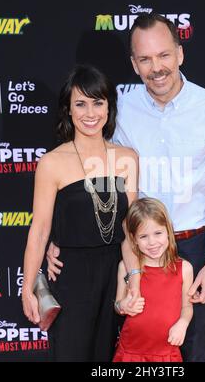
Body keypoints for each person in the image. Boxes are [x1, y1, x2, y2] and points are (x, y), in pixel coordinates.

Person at [47, 13, 205, 361]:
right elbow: (86, 171)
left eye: (164, 55)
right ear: (134, 64)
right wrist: (59, 239)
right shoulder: (118, 107)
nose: (157, 67)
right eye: (146, 59)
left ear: (180, 54)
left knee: (190, 346)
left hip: (192, 247)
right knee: (130, 348)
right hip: (132, 249)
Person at [21, 64, 138, 361]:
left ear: (109, 107)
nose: (90, 113)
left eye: (98, 103)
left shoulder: (128, 159)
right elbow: (40, 230)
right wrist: (27, 287)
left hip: (115, 274)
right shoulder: (52, 163)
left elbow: (129, 230)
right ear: (68, 110)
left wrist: (134, 279)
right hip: (71, 278)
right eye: (80, 104)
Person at [112, 197, 193, 362]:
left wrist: (183, 324)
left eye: (158, 233)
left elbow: (187, 307)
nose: (152, 242)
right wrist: (124, 305)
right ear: (133, 239)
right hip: (130, 352)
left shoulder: (184, 268)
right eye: (143, 236)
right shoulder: (126, 267)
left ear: (168, 231)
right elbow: (118, 305)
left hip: (167, 354)